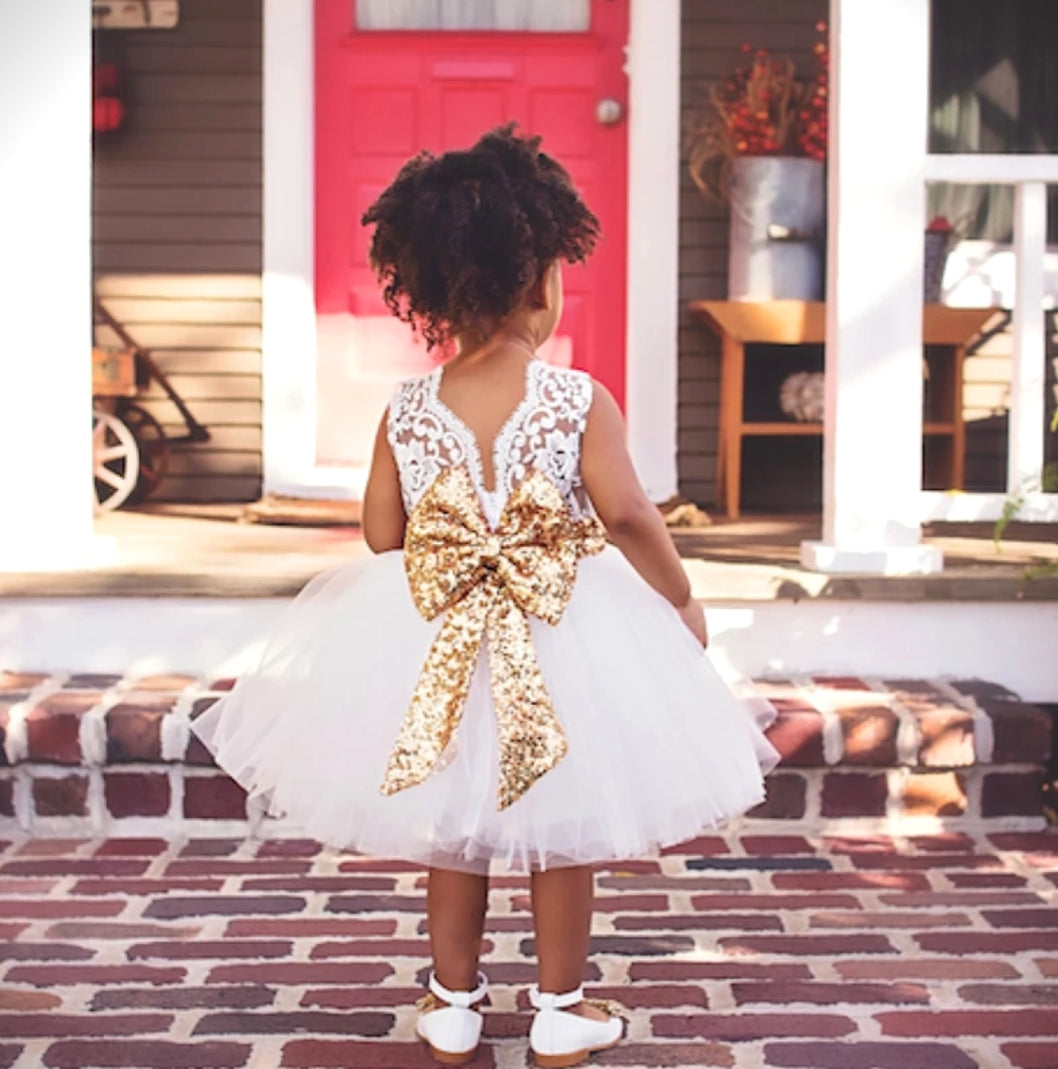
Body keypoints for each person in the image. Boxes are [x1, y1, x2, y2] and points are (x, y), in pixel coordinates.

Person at [192, 125, 778, 1069]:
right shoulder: (578, 399)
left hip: (442, 634)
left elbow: (385, 534)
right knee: (564, 819)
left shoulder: (405, 408)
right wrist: (679, 598)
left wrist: (456, 519)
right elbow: (628, 514)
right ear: (539, 280)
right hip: (567, 626)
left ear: (426, 293)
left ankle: (453, 1001)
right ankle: (560, 1006)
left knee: (454, 822)